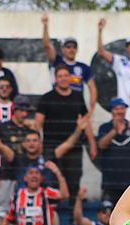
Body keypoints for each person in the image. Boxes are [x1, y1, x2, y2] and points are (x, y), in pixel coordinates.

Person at [37, 65, 97, 207]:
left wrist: (92, 144)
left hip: (74, 149)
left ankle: (73, 219)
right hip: (52, 148)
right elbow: (38, 123)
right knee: (51, 181)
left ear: (70, 78)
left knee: (74, 182)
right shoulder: (47, 98)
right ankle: (52, 215)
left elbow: (85, 122)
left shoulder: (77, 97)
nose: (63, 79)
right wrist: (38, 144)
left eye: (66, 75)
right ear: (56, 79)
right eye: (60, 76)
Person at [41, 13, 97, 110]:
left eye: (74, 47)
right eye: (68, 47)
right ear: (62, 49)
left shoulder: (83, 67)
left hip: (76, 104)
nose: (71, 50)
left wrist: (91, 110)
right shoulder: (57, 61)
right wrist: (45, 26)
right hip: (58, 102)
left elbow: (93, 89)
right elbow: (47, 46)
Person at [99, 99, 130, 203]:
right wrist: (114, 131)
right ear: (111, 111)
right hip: (110, 181)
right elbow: (101, 145)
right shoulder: (105, 127)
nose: (119, 111)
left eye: (122, 108)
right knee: (108, 214)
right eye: (116, 109)